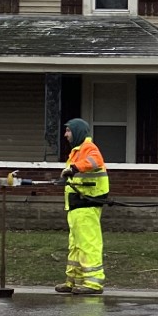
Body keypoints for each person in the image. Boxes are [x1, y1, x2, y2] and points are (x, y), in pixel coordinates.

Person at [57, 117, 108, 295]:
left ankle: (93, 283)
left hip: (87, 204)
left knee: (88, 243)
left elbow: (95, 161)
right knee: (76, 245)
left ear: (77, 131)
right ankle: (74, 281)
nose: (65, 134)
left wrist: (75, 168)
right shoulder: (77, 151)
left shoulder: (89, 148)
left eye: (69, 130)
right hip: (77, 206)